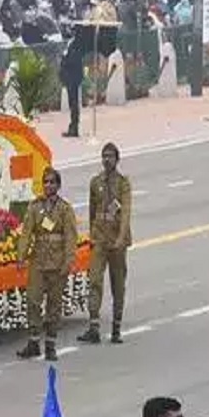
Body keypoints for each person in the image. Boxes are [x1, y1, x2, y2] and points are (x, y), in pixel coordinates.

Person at [16, 166, 78, 362]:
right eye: (45, 182)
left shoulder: (64, 209)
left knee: (54, 304)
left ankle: (50, 344)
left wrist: (68, 261)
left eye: (52, 182)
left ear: (58, 185)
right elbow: (26, 233)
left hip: (57, 263)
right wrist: (21, 255)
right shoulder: (35, 207)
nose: (48, 185)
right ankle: (34, 342)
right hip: (38, 261)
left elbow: (71, 237)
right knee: (33, 301)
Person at [79, 142, 131, 345]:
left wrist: (121, 238)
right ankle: (94, 326)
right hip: (100, 239)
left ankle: (116, 328)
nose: (107, 160)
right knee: (94, 281)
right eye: (104, 156)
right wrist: (92, 236)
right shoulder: (95, 182)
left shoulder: (123, 184)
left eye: (110, 156)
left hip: (117, 241)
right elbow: (92, 211)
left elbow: (125, 212)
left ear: (117, 159)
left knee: (118, 284)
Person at [60, 33, 84, 138]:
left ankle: (74, 128)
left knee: (74, 103)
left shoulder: (75, 45)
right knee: (72, 103)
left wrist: (64, 59)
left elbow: (73, 60)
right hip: (71, 77)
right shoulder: (71, 44)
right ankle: (73, 126)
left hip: (73, 78)